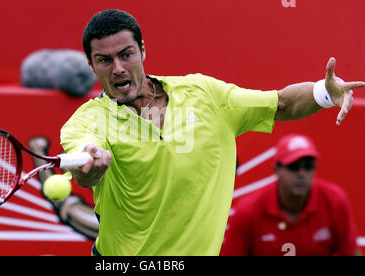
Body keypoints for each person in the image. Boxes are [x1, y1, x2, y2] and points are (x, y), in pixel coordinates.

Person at [59, 9, 365, 256]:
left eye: (126, 54)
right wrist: (92, 162)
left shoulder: (204, 94)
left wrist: (324, 92)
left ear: (142, 50)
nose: (118, 69)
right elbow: (86, 161)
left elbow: (281, 103)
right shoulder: (88, 121)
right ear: (90, 64)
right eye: (104, 60)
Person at [220, 134, 361, 256]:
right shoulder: (249, 210)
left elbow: (351, 252)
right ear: (277, 169)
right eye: (293, 166)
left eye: (308, 166)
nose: (301, 174)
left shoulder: (334, 201)